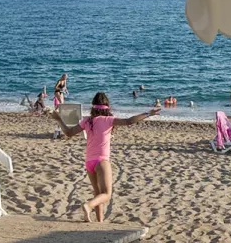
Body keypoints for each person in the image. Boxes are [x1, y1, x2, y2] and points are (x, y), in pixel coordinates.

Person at [50, 92, 160, 223]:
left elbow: (68, 133)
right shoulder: (109, 120)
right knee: (107, 194)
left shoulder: (87, 121)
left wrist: (58, 119)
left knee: (98, 193)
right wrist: (148, 113)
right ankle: (88, 205)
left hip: (89, 162)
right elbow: (129, 121)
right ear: (107, 106)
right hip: (101, 161)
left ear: (93, 106)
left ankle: (99, 222)